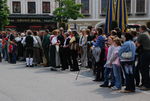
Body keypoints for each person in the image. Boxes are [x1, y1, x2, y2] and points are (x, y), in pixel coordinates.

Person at [136, 25, 150, 90]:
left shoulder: (142, 35)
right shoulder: (147, 33)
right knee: (145, 69)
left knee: (144, 69)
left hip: (144, 53)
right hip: (147, 53)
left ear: (142, 29)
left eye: (139, 28)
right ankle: (145, 84)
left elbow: (137, 44)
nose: (139, 29)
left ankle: (146, 85)